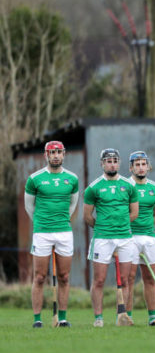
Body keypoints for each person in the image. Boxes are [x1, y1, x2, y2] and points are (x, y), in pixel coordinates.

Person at [24, 141, 79, 328]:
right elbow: (29, 206)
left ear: (64, 155)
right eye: (52, 152)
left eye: (59, 152)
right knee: (39, 277)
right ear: (46, 155)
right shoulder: (35, 178)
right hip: (42, 233)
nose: (56, 155)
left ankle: (62, 318)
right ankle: (37, 319)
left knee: (64, 276)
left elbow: (73, 204)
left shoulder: (72, 179)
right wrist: (41, 222)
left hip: (64, 232)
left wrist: (61, 220)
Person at [83, 148, 139, 327]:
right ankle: (98, 318)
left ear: (119, 163)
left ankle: (122, 316)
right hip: (102, 238)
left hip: (124, 238)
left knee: (125, 280)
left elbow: (134, 213)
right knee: (99, 280)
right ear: (102, 164)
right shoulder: (93, 187)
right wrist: (104, 227)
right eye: (108, 161)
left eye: (115, 160)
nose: (112, 163)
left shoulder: (129, 186)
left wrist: (120, 225)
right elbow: (88, 216)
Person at [124, 151, 155, 325]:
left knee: (150, 278)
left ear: (149, 166)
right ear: (131, 167)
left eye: (143, 164)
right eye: (137, 164)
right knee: (129, 278)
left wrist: (145, 228)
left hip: (149, 237)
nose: (141, 168)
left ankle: (153, 318)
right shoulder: (124, 186)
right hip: (129, 237)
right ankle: (127, 317)